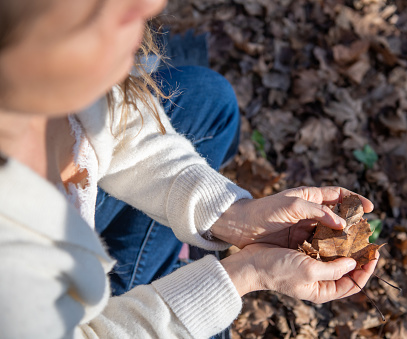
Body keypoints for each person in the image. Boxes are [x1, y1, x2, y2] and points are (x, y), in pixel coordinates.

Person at [0, 0, 379, 338]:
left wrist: (237, 216)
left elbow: (119, 128)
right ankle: (131, 284)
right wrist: (249, 272)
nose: (150, 5)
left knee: (208, 101)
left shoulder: (50, 87)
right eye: (94, 8)